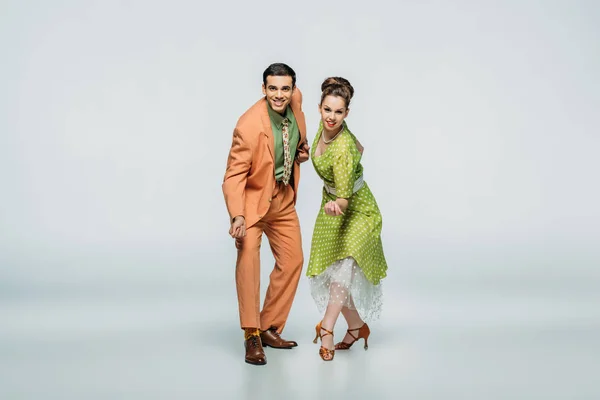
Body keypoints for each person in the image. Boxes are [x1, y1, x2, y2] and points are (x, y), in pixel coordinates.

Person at [222, 63, 310, 366]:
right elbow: (233, 176)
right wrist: (237, 217)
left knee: (293, 259)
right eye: (272, 88)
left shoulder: (296, 102)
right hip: (252, 205)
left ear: (293, 89)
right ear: (263, 89)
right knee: (249, 260)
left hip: (283, 198)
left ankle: (269, 326)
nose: (279, 94)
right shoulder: (247, 125)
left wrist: (302, 149)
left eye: (285, 88)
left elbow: (298, 134)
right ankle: (251, 335)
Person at [306, 77, 388, 361]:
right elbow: (361, 147)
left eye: (338, 112)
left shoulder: (342, 149)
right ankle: (357, 327)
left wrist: (337, 202)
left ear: (347, 114)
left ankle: (326, 328)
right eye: (327, 110)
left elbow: (343, 198)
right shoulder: (326, 127)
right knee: (331, 275)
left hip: (357, 210)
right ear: (320, 108)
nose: (331, 117)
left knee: (344, 267)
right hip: (332, 205)